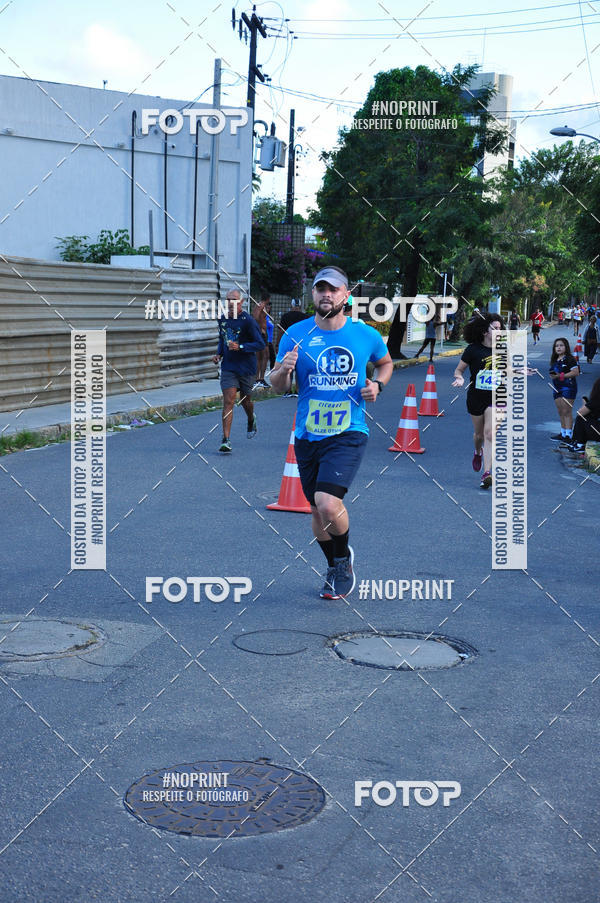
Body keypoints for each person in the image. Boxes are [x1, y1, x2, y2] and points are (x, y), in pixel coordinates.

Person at [270, 266, 393, 599]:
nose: (326, 294)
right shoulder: (295, 333)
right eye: (320, 289)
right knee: (315, 510)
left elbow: (386, 363)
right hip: (308, 433)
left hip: (348, 431)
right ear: (313, 294)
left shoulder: (364, 334)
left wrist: (377, 385)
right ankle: (337, 562)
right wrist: (283, 370)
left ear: (346, 295)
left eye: (333, 289)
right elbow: (277, 386)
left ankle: (342, 561)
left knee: (327, 503)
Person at [451, 313, 505, 489]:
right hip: (476, 396)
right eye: (495, 328)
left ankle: (487, 473)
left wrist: (521, 370)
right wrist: (459, 379)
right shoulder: (473, 350)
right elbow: (459, 370)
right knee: (479, 435)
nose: (498, 331)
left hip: (497, 396)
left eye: (500, 328)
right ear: (484, 331)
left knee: (490, 434)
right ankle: (477, 451)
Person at [213, 289, 265, 453]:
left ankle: (251, 418)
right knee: (229, 401)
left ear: (241, 302)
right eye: (228, 299)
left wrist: (241, 346)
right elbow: (223, 339)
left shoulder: (248, 321)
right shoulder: (223, 319)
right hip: (229, 367)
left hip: (246, 368)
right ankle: (226, 439)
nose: (230, 302)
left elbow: (260, 344)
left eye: (234, 300)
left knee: (245, 401)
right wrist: (219, 354)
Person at [548, 337, 580, 444]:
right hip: (557, 388)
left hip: (568, 387)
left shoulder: (570, 359)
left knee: (567, 411)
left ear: (566, 347)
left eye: (561, 345)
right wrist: (553, 376)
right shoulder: (554, 359)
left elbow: (576, 372)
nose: (559, 347)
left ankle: (568, 435)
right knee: (560, 411)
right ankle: (562, 433)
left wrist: (561, 375)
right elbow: (553, 373)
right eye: (557, 346)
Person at [276, 299, 308, 396]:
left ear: (292, 305)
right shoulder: (305, 317)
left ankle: (288, 390)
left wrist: (278, 343)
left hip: (288, 344)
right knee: (299, 368)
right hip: (301, 344)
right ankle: (298, 390)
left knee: (288, 367)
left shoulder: (286, 317)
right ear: (300, 305)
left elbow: (281, 331)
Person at [570, 377, 600, 452]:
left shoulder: (596, 401)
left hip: (597, 433)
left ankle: (580, 443)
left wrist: (584, 402)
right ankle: (578, 443)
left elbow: (580, 413)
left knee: (581, 418)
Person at [253, 294, 270, 389]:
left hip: (261, 334)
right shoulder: (261, 305)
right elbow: (255, 317)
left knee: (260, 356)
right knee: (264, 356)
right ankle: (260, 378)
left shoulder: (259, 305)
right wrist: (260, 329)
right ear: (268, 299)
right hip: (261, 334)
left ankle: (258, 378)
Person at [265, 299, 276, 371]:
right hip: (266, 341)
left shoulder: (268, 317)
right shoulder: (263, 317)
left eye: (269, 306)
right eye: (267, 306)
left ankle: (271, 373)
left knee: (271, 358)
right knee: (270, 358)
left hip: (269, 341)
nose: (268, 307)